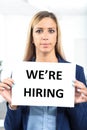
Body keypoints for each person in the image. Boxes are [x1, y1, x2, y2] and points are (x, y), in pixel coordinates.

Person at [0, 11, 87, 130]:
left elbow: (82, 127)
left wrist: (75, 105)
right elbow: (11, 128)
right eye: (39, 31)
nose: (45, 36)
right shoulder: (20, 73)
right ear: (32, 37)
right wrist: (13, 105)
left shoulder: (76, 73)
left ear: (57, 37)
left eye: (51, 31)